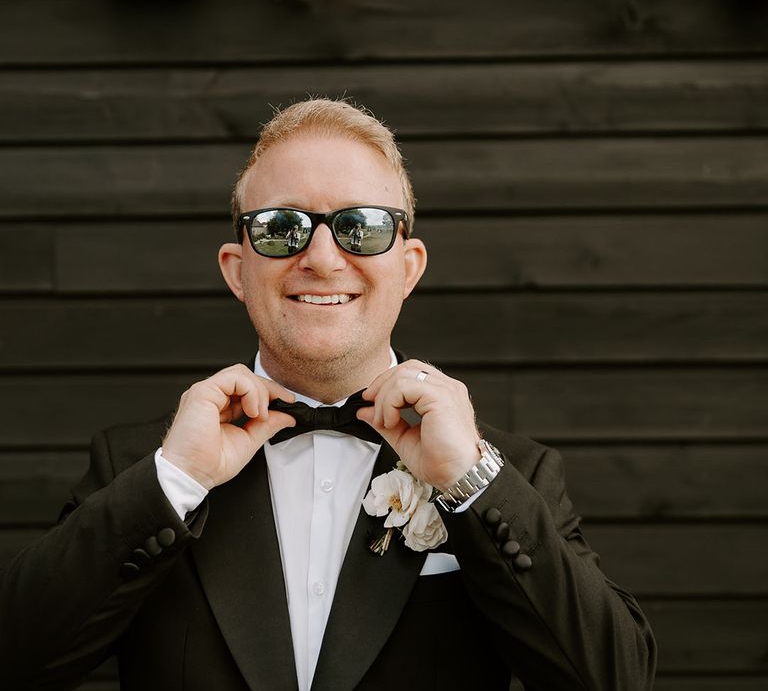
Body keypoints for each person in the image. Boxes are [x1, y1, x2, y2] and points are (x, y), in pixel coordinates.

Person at [0, 98, 656, 690]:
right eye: (282, 226)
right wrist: (176, 480)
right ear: (237, 268)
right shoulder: (141, 467)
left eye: (361, 226)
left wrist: (469, 480)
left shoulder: (510, 474)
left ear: (408, 265)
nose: (320, 256)